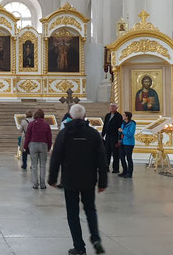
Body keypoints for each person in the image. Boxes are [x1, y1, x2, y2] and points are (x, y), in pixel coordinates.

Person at [48, 104, 107, 255]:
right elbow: (102, 159)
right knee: (90, 210)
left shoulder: (64, 133)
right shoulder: (93, 133)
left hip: (70, 179)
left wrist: (52, 179)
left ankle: (79, 247)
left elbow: (55, 157)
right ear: (84, 115)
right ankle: (96, 240)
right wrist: (102, 182)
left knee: (73, 214)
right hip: (89, 179)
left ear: (70, 115)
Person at [23, 109, 52, 189]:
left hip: (33, 145)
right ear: (43, 115)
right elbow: (49, 137)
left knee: (34, 165)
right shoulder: (46, 125)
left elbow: (27, 137)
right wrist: (49, 147)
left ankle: (35, 184)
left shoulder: (31, 124)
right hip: (43, 145)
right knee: (43, 165)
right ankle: (43, 184)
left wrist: (26, 147)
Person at [102, 103, 122, 173]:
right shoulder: (107, 115)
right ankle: (106, 167)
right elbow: (105, 126)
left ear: (116, 108)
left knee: (115, 153)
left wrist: (119, 139)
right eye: (111, 106)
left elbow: (120, 127)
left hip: (115, 137)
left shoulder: (118, 116)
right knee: (107, 152)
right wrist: (102, 135)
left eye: (113, 107)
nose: (112, 108)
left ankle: (116, 169)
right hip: (108, 136)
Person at [118, 111, 136, 178]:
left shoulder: (132, 124)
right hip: (123, 142)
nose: (122, 116)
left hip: (129, 143)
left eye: (123, 115)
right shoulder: (123, 123)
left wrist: (122, 131)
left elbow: (131, 134)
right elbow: (122, 132)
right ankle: (124, 171)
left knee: (128, 158)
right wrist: (120, 132)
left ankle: (129, 173)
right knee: (122, 158)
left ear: (127, 117)